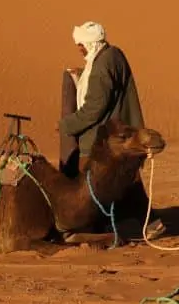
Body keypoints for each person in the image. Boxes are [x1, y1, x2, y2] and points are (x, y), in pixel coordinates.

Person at [57, 21, 165, 241]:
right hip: (120, 133)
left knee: (95, 183)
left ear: (90, 44)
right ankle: (139, 222)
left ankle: (136, 224)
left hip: (108, 140)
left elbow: (94, 107)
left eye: (81, 45)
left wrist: (67, 125)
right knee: (121, 181)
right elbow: (106, 89)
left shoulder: (101, 67)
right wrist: (82, 76)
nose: (79, 49)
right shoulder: (113, 54)